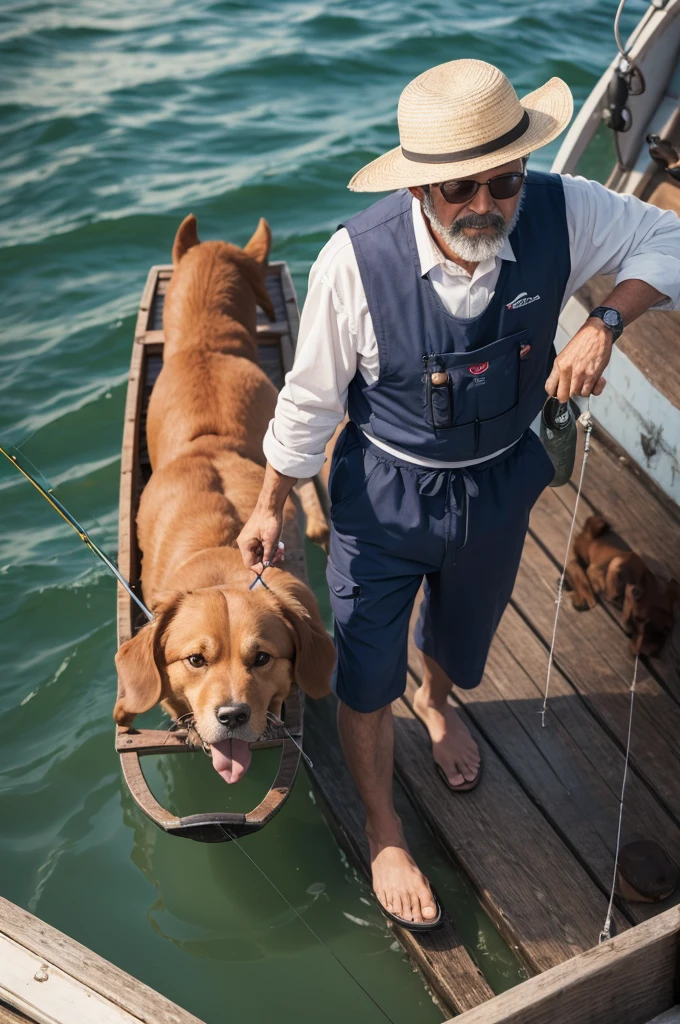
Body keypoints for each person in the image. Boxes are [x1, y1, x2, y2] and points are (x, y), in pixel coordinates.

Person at [237, 59, 680, 930]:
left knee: (465, 634)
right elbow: (309, 402)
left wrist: (605, 321)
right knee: (366, 674)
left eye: (504, 181)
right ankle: (385, 824)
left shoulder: (562, 205)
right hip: (385, 495)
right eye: (457, 190)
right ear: (419, 187)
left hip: (504, 482)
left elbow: (670, 242)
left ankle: (439, 710)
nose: (486, 205)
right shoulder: (352, 264)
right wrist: (269, 503)